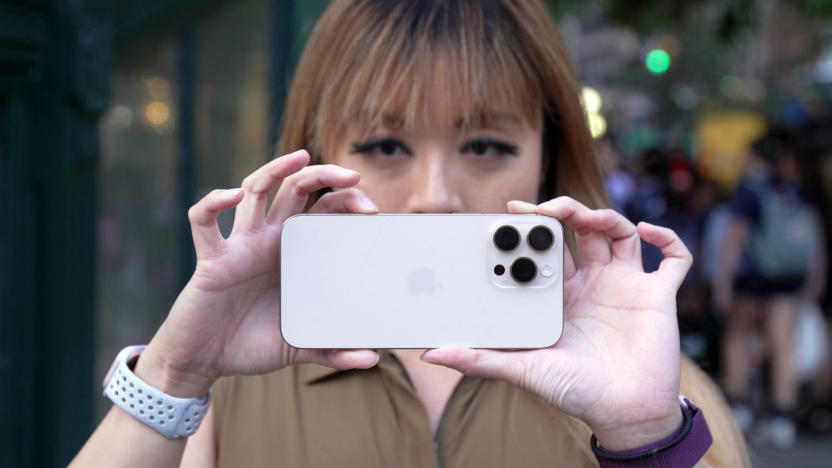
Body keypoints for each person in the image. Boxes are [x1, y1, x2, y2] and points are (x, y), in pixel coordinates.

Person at [72, 1, 748, 466]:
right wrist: (174, 373)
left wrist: (645, 438)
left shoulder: (652, 386)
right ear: (317, 158)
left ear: (548, 156)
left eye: (485, 145)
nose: (435, 198)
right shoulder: (230, 386)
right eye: (386, 146)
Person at [714, 127, 827, 448]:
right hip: (789, 279)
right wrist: (815, 276)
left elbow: (734, 238)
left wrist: (722, 281)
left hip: (753, 278)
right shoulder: (797, 190)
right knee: (784, 344)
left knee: (737, 336)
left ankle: (738, 407)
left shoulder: (750, 191)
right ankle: (782, 417)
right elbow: (812, 238)